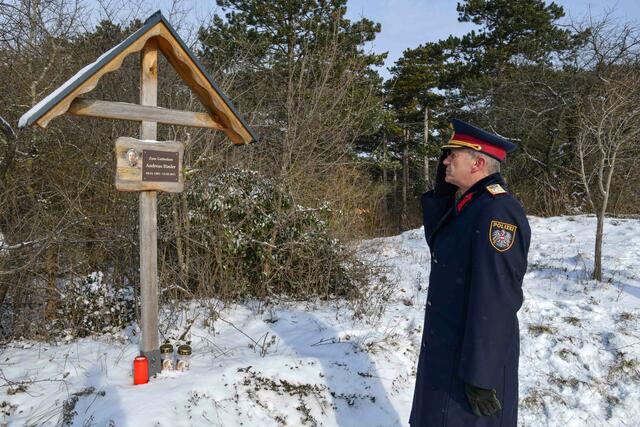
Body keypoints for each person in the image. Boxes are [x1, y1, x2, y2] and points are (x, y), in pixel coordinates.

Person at [409, 119, 531, 427]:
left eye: (452, 155)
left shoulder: (496, 212)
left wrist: (481, 375)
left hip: (470, 366)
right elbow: (442, 247)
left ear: (477, 162)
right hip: (447, 356)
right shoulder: (466, 204)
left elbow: (497, 297)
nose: (445, 160)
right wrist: (439, 196)